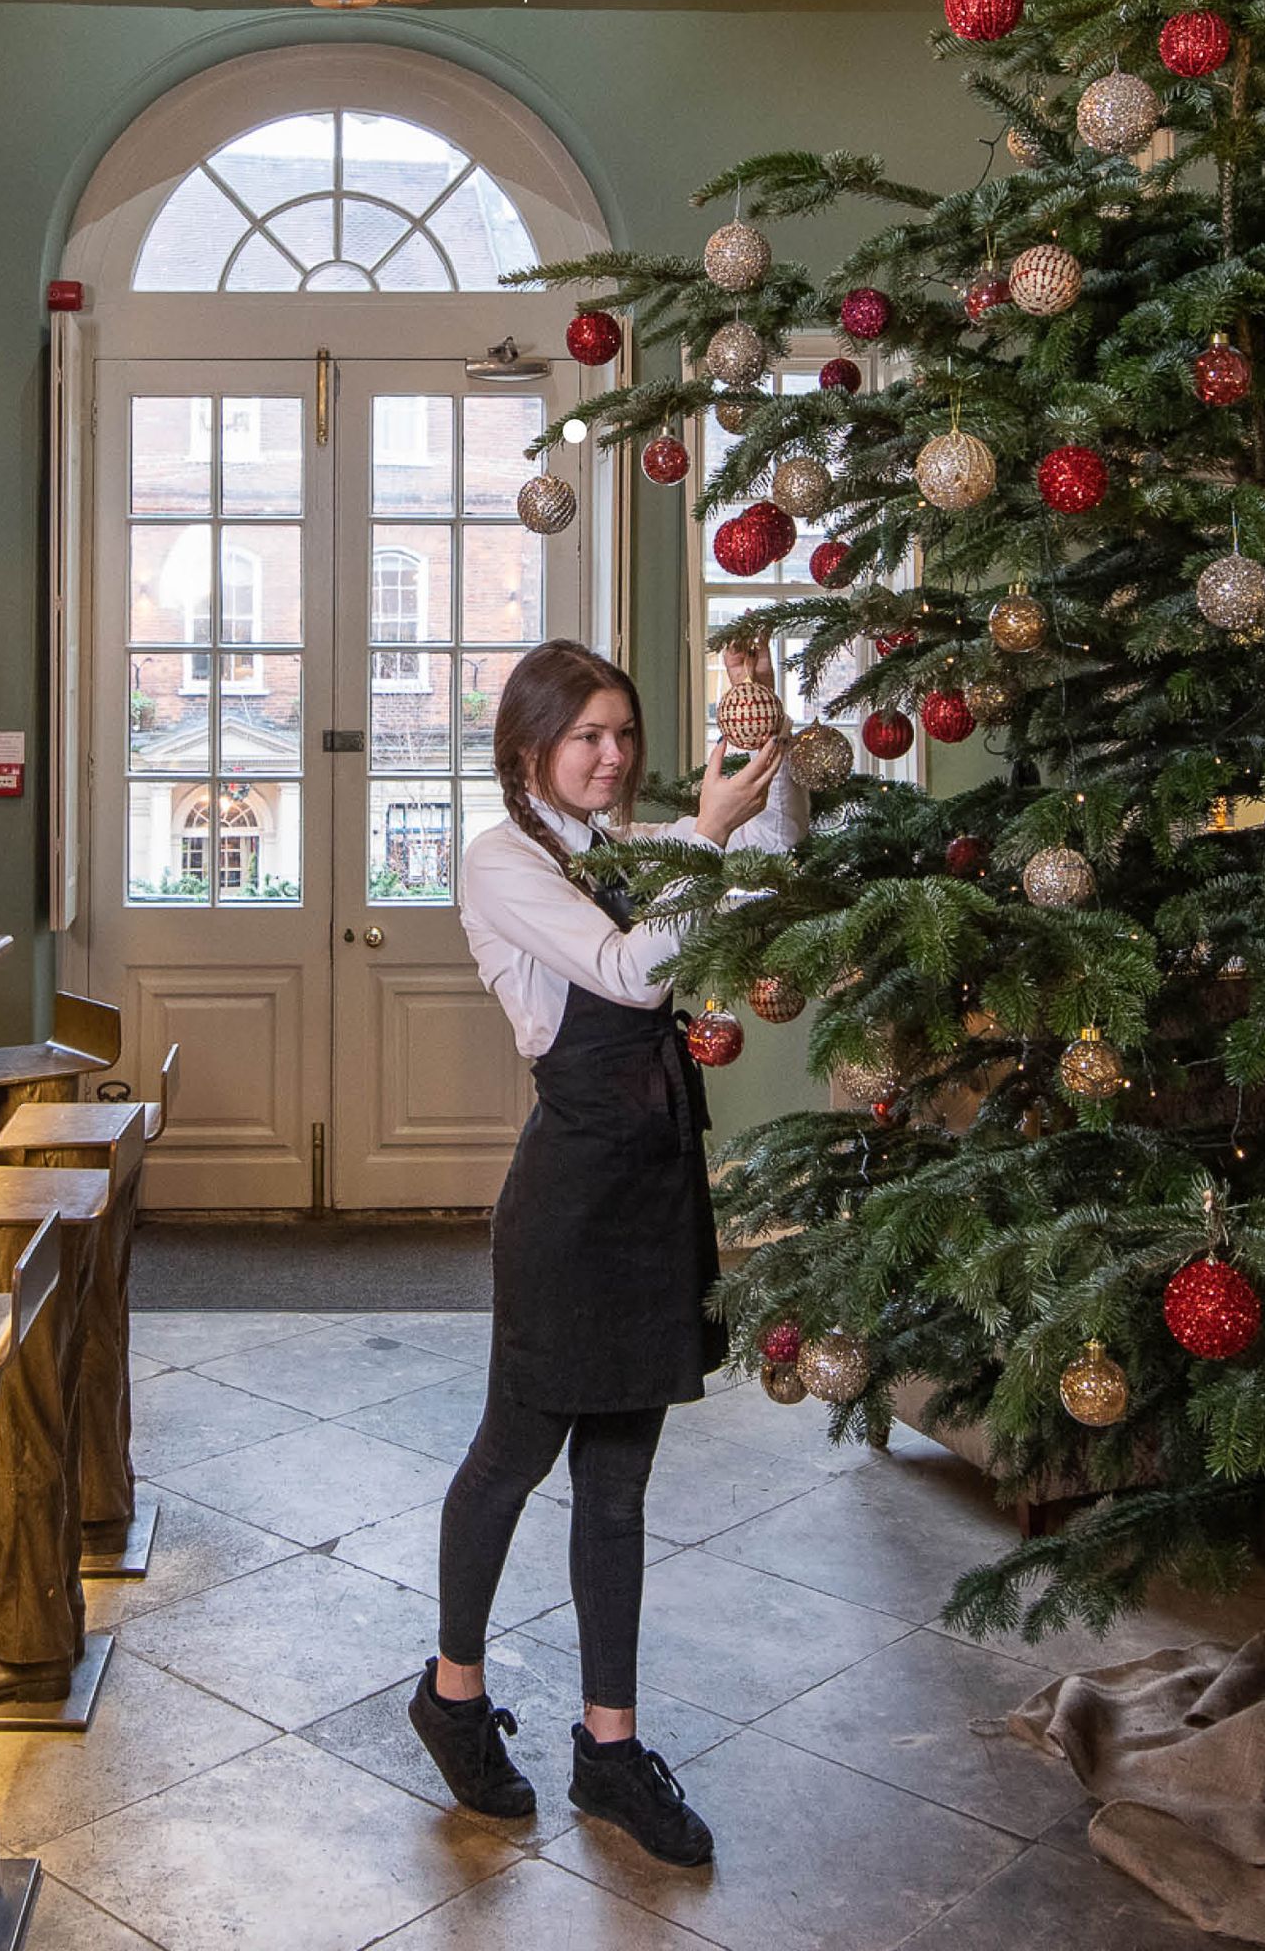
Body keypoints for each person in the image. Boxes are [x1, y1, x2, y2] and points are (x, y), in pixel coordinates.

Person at [403, 634, 806, 1867]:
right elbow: (633, 976)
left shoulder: (626, 850)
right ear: (529, 747)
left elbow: (765, 872)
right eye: (588, 736)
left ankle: (610, 1750)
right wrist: (707, 832)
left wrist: (766, 741)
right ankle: (453, 1695)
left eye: (624, 734)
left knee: (621, 1481)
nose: (614, 756)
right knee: (512, 1457)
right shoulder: (501, 862)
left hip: (656, 1184)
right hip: (570, 1201)